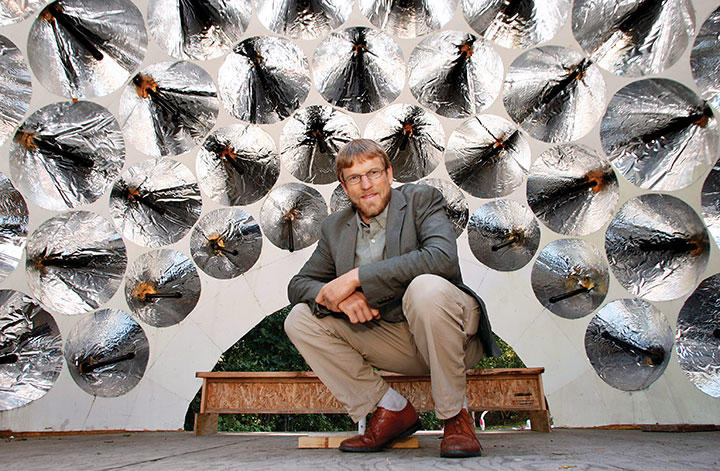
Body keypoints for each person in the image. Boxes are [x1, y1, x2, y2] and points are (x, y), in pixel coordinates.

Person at [285, 139, 500, 458]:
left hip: (452, 334)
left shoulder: (422, 200)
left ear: (388, 173)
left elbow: (441, 259)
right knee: (300, 319)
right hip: (395, 340)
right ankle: (390, 410)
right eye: (355, 178)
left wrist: (355, 279)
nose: (366, 184)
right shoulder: (335, 227)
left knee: (425, 287)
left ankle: (455, 418)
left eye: (373, 172)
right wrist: (340, 300)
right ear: (344, 186)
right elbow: (299, 284)